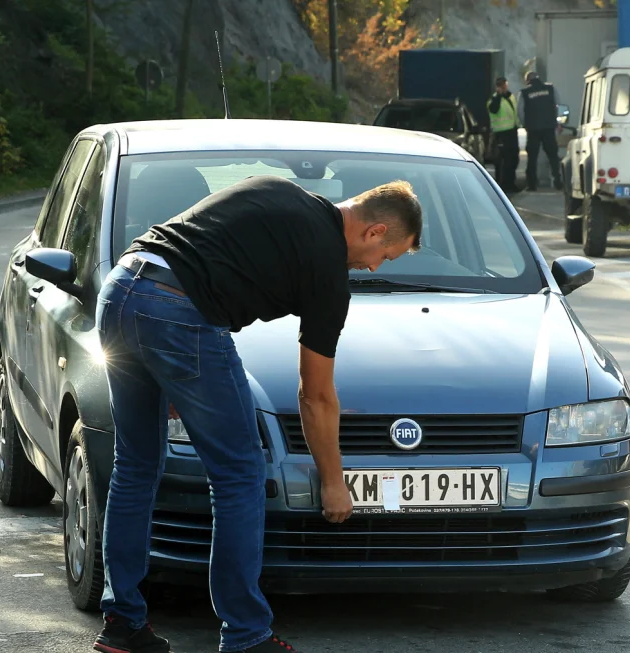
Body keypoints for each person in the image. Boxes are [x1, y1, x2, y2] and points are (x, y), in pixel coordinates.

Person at [92, 175, 422, 653]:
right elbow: (316, 395)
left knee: (137, 464)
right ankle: (246, 635)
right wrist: (333, 480)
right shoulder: (329, 272)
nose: (374, 268)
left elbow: (212, 247)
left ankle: (121, 624)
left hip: (123, 288)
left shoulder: (279, 190)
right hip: (179, 312)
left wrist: (162, 356)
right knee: (240, 473)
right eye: (384, 256)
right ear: (374, 232)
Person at [519, 71, 563, 192]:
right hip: (549, 128)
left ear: (527, 81)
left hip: (533, 130)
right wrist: (558, 123)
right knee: (553, 156)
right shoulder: (550, 89)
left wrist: (526, 125)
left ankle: (532, 184)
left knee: (532, 158)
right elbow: (558, 105)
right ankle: (558, 182)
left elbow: (520, 112)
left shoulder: (524, 93)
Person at [487, 76, 521, 193]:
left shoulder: (511, 97)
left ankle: (510, 182)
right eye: (501, 86)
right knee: (502, 161)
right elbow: (494, 109)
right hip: (501, 134)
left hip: (512, 132)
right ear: (497, 87)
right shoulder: (494, 100)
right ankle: (502, 184)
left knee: (513, 159)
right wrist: (499, 95)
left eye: (505, 85)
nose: (504, 87)